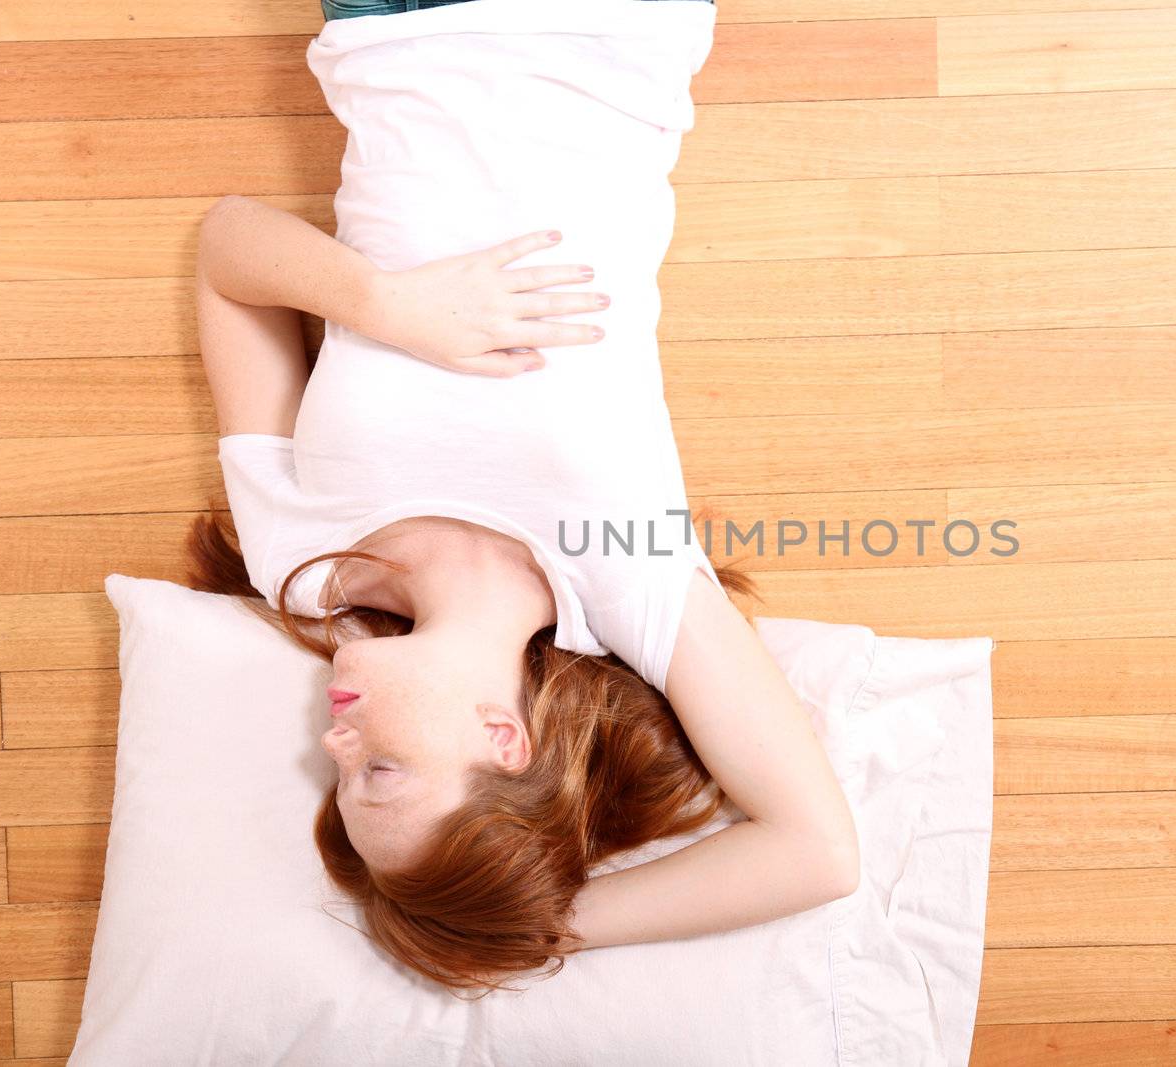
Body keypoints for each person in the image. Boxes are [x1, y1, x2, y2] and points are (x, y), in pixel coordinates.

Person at [185, 0, 859, 993]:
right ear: (503, 739)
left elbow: (228, 247)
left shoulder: (305, 564)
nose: (334, 739)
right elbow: (816, 853)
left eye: (343, 774)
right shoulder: (626, 580)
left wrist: (387, 306)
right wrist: (525, 923)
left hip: (388, 27)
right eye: (381, 770)